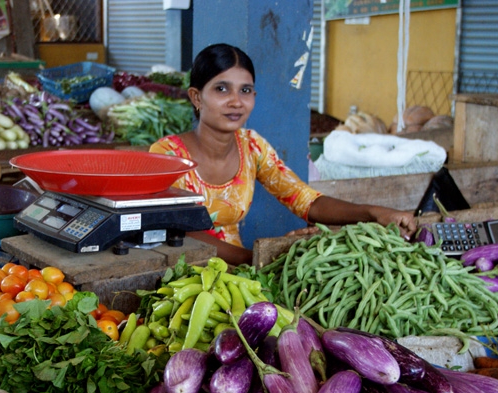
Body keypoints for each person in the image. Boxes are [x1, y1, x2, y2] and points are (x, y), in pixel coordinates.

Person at [149, 43, 417, 266]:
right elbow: (179, 233)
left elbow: (304, 200)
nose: (236, 101)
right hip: (184, 275)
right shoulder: (168, 155)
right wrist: (262, 257)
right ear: (197, 97)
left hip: (240, 277)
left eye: (245, 90)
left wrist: (373, 212)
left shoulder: (252, 146)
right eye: (221, 89)